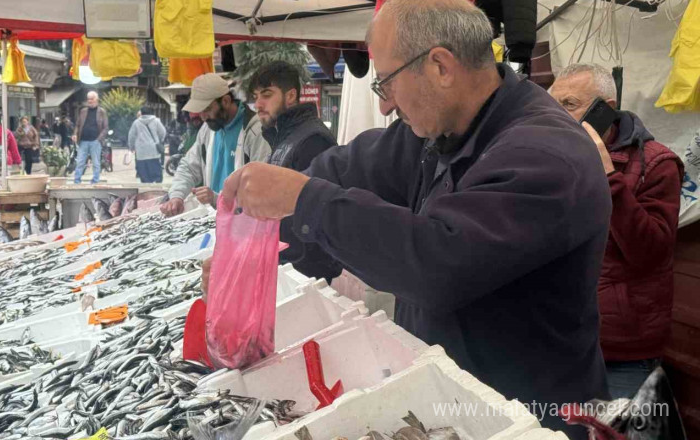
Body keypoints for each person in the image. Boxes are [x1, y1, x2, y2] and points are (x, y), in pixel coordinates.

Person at [217, 0, 612, 437]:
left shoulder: (546, 155)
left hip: (531, 417)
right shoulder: (441, 126)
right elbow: (353, 167)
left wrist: (306, 200)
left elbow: (438, 261)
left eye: (385, 83)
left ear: (440, 66)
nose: (385, 107)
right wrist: (260, 222)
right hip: (452, 396)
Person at [549, 64, 684, 399]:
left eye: (568, 105)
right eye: (551, 106)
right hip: (561, 338)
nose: (556, 116)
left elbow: (649, 253)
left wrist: (607, 177)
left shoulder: (657, 163)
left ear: (605, 110)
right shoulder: (554, 158)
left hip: (622, 349)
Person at [249, 61, 342, 282]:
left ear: (290, 96)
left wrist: (291, 262)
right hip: (286, 264)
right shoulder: (283, 137)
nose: (258, 104)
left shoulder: (312, 139)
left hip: (306, 271)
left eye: (267, 95)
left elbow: (317, 210)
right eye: (255, 97)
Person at [160, 74, 271, 217]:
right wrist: (177, 195)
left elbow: (260, 189)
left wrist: (216, 199)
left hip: (244, 223)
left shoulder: (255, 131)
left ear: (225, 101)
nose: (203, 116)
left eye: (207, 109)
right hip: (214, 219)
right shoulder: (208, 129)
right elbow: (189, 166)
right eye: (200, 111)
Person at [72, 91, 109, 184]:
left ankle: (95, 180)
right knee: (80, 161)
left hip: (95, 141)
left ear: (96, 99)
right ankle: (77, 180)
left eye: (92, 99)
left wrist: (99, 139)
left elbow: (105, 127)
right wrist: (75, 134)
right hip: (83, 140)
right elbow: (77, 124)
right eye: (88, 99)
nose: (90, 101)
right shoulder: (83, 111)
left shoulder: (101, 111)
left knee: (96, 163)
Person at [129, 106, 167, 183]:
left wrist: (131, 146)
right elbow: (163, 132)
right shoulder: (156, 121)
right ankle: (157, 187)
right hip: (153, 151)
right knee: (156, 172)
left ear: (141, 113)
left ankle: (146, 188)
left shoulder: (136, 123)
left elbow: (131, 136)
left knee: (144, 175)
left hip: (141, 152)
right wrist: (159, 140)